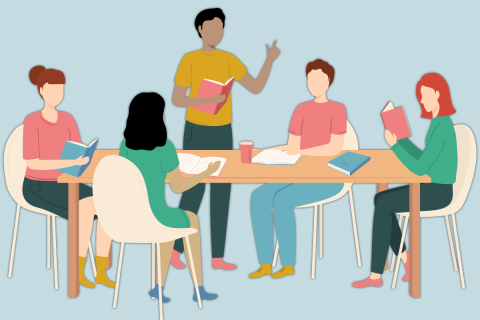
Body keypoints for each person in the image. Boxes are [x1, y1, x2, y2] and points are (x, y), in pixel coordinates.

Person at [171, 7, 281, 271]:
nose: (216, 33)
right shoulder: (190, 59)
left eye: (220, 28)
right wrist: (206, 99)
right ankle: (176, 250)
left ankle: (217, 257)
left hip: (223, 131)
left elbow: (255, 87)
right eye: (210, 28)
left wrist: (269, 60)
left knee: (222, 192)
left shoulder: (229, 59)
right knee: (192, 191)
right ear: (199, 30)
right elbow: (177, 99)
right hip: (196, 130)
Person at [352, 73, 458, 288]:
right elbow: (424, 159)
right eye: (420, 95)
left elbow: (419, 169)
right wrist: (401, 139)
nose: (421, 100)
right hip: (433, 185)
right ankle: (406, 260)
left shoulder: (443, 126)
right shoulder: (438, 123)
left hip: (439, 192)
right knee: (381, 199)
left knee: (382, 203)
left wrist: (395, 145)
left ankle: (376, 275)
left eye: (424, 95)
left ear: (437, 94)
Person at [249, 59, 347, 279]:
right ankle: (265, 263)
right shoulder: (301, 109)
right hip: (296, 173)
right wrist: (268, 153)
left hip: (327, 178)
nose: (314, 83)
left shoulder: (337, 109)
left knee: (283, 200)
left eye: (319, 78)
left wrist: (302, 151)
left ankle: (288, 264)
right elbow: (292, 144)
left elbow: (334, 148)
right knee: (258, 197)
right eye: (310, 78)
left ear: (329, 81)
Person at [119, 92, 220, 302]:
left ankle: (158, 287)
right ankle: (198, 288)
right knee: (190, 219)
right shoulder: (165, 148)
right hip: (156, 216)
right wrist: (204, 173)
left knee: (167, 227)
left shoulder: (124, 147)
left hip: (129, 218)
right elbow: (178, 186)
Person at [23, 65, 115, 289]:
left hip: (67, 180)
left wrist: (83, 161)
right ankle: (79, 271)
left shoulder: (67, 119)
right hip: (38, 185)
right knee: (85, 208)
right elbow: (32, 162)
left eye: (61, 89)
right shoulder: (32, 121)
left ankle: (101, 271)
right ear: (41, 90)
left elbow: (76, 151)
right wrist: (69, 163)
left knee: (107, 203)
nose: (58, 94)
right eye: (53, 89)